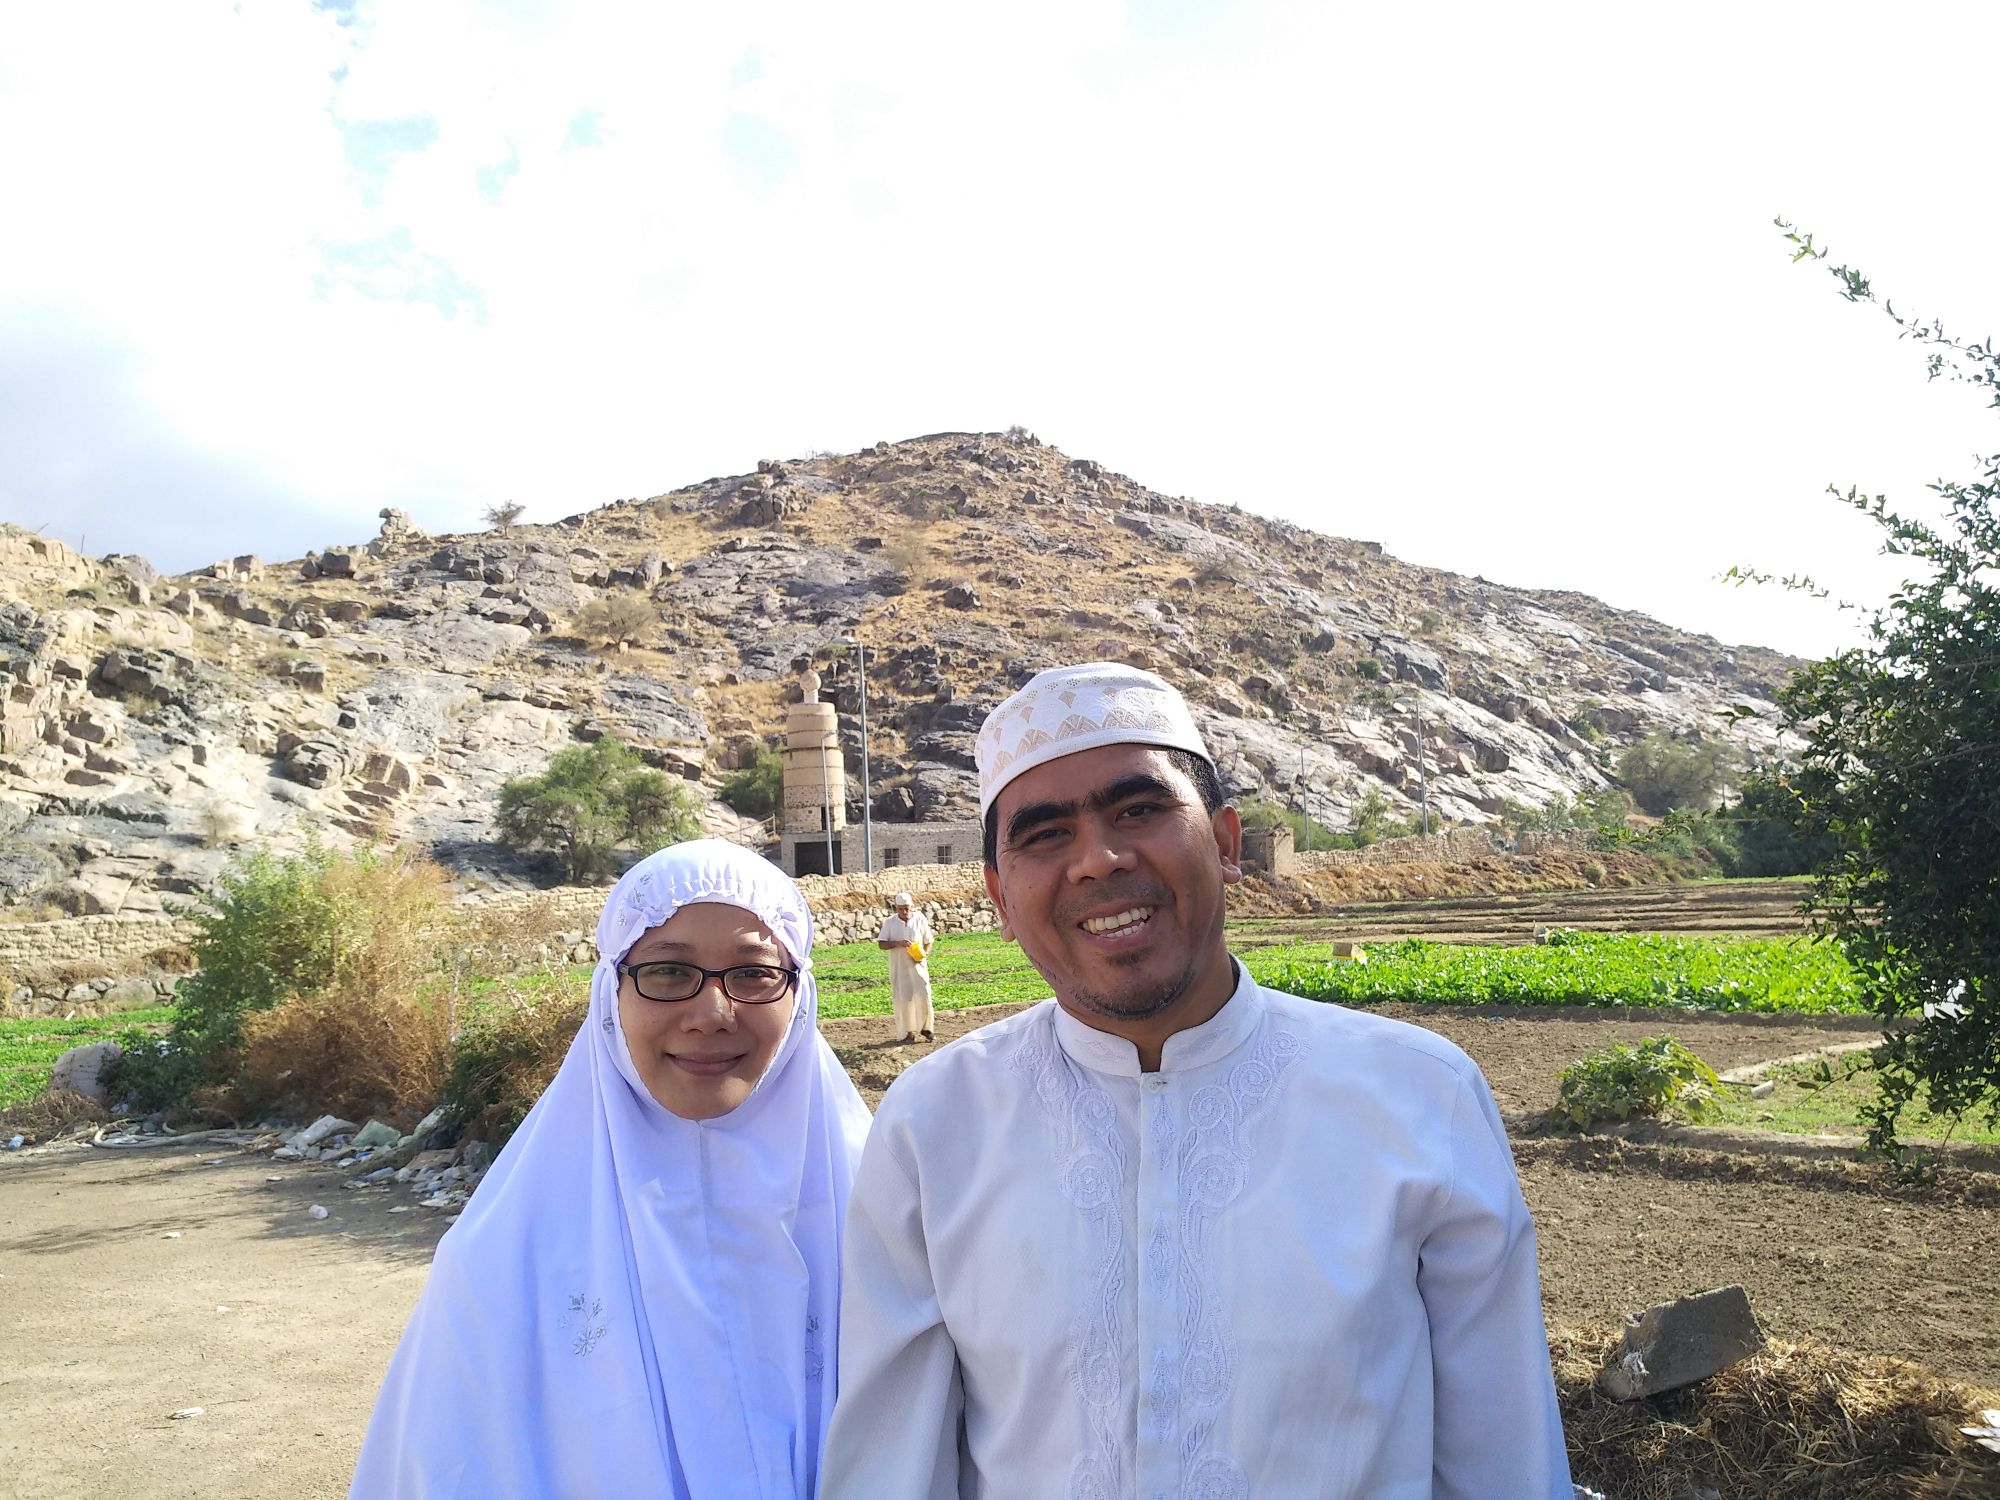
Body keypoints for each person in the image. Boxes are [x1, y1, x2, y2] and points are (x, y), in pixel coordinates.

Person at [822, 663, 1573, 1498]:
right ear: (999, 896)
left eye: (1138, 810)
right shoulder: (936, 1123)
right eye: (1044, 836)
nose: (1097, 862)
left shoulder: (1418, 1096)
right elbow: (894, 1463)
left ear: (1224, 841)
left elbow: (1501, 1454)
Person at [351, 839, 872, 1500]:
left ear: (799, 995)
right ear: (611, 994)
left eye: (754, 973)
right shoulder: (501, 1264)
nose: (712, 1014)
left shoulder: (887, 1215)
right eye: (667, 972)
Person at [875, 891, 935, 1042]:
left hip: (918, 966)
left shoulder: (920, 919)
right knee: (904, 998)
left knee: (924, 994)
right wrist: (898, 943)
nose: (905, 912)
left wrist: (924, 954)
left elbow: (929, 941)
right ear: (896, 908)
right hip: (900, 967)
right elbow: (882, 944)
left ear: (912, 907)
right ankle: (908, 1032)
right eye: (901, 909)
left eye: (907, 908)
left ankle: (927, 1028)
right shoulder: (890, 923)